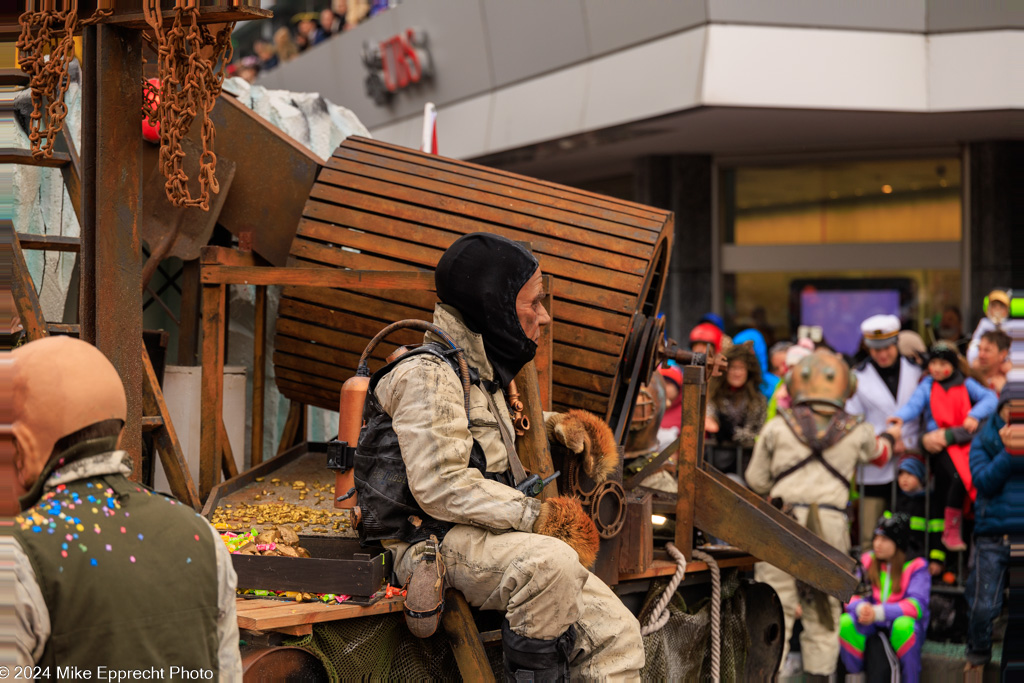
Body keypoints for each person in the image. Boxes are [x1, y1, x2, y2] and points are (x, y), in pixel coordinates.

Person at [353, 233, 643, 680]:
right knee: (551, 564)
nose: (543, 316)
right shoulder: (429, 376)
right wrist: (538, 517)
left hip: (481, 531)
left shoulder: (479, 370)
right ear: (496, 305)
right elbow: (441, 486)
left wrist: (556, 426)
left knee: (619, 636)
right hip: (432, 539)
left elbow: (482, 435)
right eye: (534, 303)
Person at [11, 336, 241, 675]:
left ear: (23, 446)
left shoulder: (19, 554)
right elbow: (228, 673)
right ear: (118, 435)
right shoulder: (203, 537)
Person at [747, 349, 896, 678]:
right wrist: (890, 435)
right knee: (824, 613)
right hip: (829, 527)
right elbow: (881, 454)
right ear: (848, 387)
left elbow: (755, 480)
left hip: (781, 524)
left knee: (774, 608)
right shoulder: (857, 430)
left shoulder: (777, 427)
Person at [888, 342, 998, 551]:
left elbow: (990, 398)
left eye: (942, 364)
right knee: (952, 482)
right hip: (939, 447)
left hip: (963, 444)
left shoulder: (966, 383)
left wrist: (974, 415)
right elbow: (914, 405)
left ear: (953, 366)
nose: (937, 369)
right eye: (933, 364)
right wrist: (900, 418)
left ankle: (955, 531)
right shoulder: (928, 385)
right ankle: (949, 532)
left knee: (965, 480)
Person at [845, 314, 923, 548]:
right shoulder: (857, 378)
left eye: (887, 347)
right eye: (875, 349)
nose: (882, 354)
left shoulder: (917, 370)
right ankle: (871, 584)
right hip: (874, 467)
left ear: (896, 342)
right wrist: (885, 441)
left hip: (911, 463)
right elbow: (853, 422)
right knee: (871, 536)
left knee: (910, 535)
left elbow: (925, 414)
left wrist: (909, 443)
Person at [964, 385, 1024, 676]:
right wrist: (1009, 452)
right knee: (984, 606)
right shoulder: (985, 439)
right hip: (992, 535)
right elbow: (984, 482)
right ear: (1001, 408)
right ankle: (977, 654)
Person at [839, 513, 930, 683]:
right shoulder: (867, 560)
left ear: (898, 543)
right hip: (871, 623)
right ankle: (854, 678)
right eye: (876, 538)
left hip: (897, 624)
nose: (877, 544)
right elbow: (851, 594)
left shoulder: (917, 566)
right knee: (846, 622)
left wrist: (879, 612)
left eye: (885, 539)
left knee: (905, 627)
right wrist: (861, 608)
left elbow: (917, 606)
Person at [704, 341, 767, 476]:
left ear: (748, 371)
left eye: (741, 368)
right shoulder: (715, 396)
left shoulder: (758, 401)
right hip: (717, 463)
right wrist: (712, 421)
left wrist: (733, 434)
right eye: (732, 368)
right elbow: (709, 415)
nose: (736, 373)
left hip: (747, 465)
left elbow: (758, 433)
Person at [891, 456, 946, 572]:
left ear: (921, 477)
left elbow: (937, 534)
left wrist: (936, 560)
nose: (904, 479)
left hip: (921, 559)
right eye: (901, 474)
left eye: (910, 474)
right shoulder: (896, 500)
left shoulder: (930, 503)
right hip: (899, 558)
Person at [732, 328, 780, 400]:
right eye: (739, 350)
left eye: (749, 348)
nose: (744, 355)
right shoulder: (729, 383)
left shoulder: (775, 386)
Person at [966, 289, 1010, 365]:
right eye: (994, 306)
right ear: (989, 309)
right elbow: (975, 343)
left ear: (1007, 310)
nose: (997, 309)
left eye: (1001, 307)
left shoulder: (1010, 325)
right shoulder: (984, 323)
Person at [973, 329, 1010, 394]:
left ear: (1002, 354)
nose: (980, 355)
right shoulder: (970, 379)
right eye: (979, 349)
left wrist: (1005, 392)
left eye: (987, 350)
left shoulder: (1010, 383)